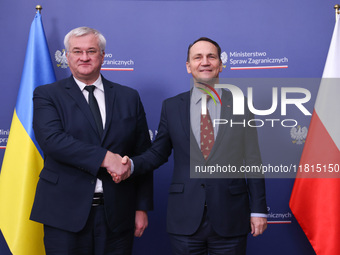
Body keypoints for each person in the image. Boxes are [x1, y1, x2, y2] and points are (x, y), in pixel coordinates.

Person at [113, 37, 268, 255]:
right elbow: (159, 152)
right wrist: (132, 165)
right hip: (185, 218)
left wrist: (259, 210)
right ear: (189, 66)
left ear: (220, 64)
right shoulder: (172, 107)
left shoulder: (241, 105)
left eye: (211, 56)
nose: (204, 62)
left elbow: (253, 160)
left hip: (230, 217)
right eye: (198, 57)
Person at [30, 27, 153, 255]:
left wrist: (141, 207)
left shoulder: (129, 97)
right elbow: (52, 140)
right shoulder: (47, 94)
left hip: (118, 214)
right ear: (67, 57)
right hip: (64, 214)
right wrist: (106, 158)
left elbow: (143, 153)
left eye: (91, 51)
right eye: (77, 51)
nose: (84, 57)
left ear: (103, 55)